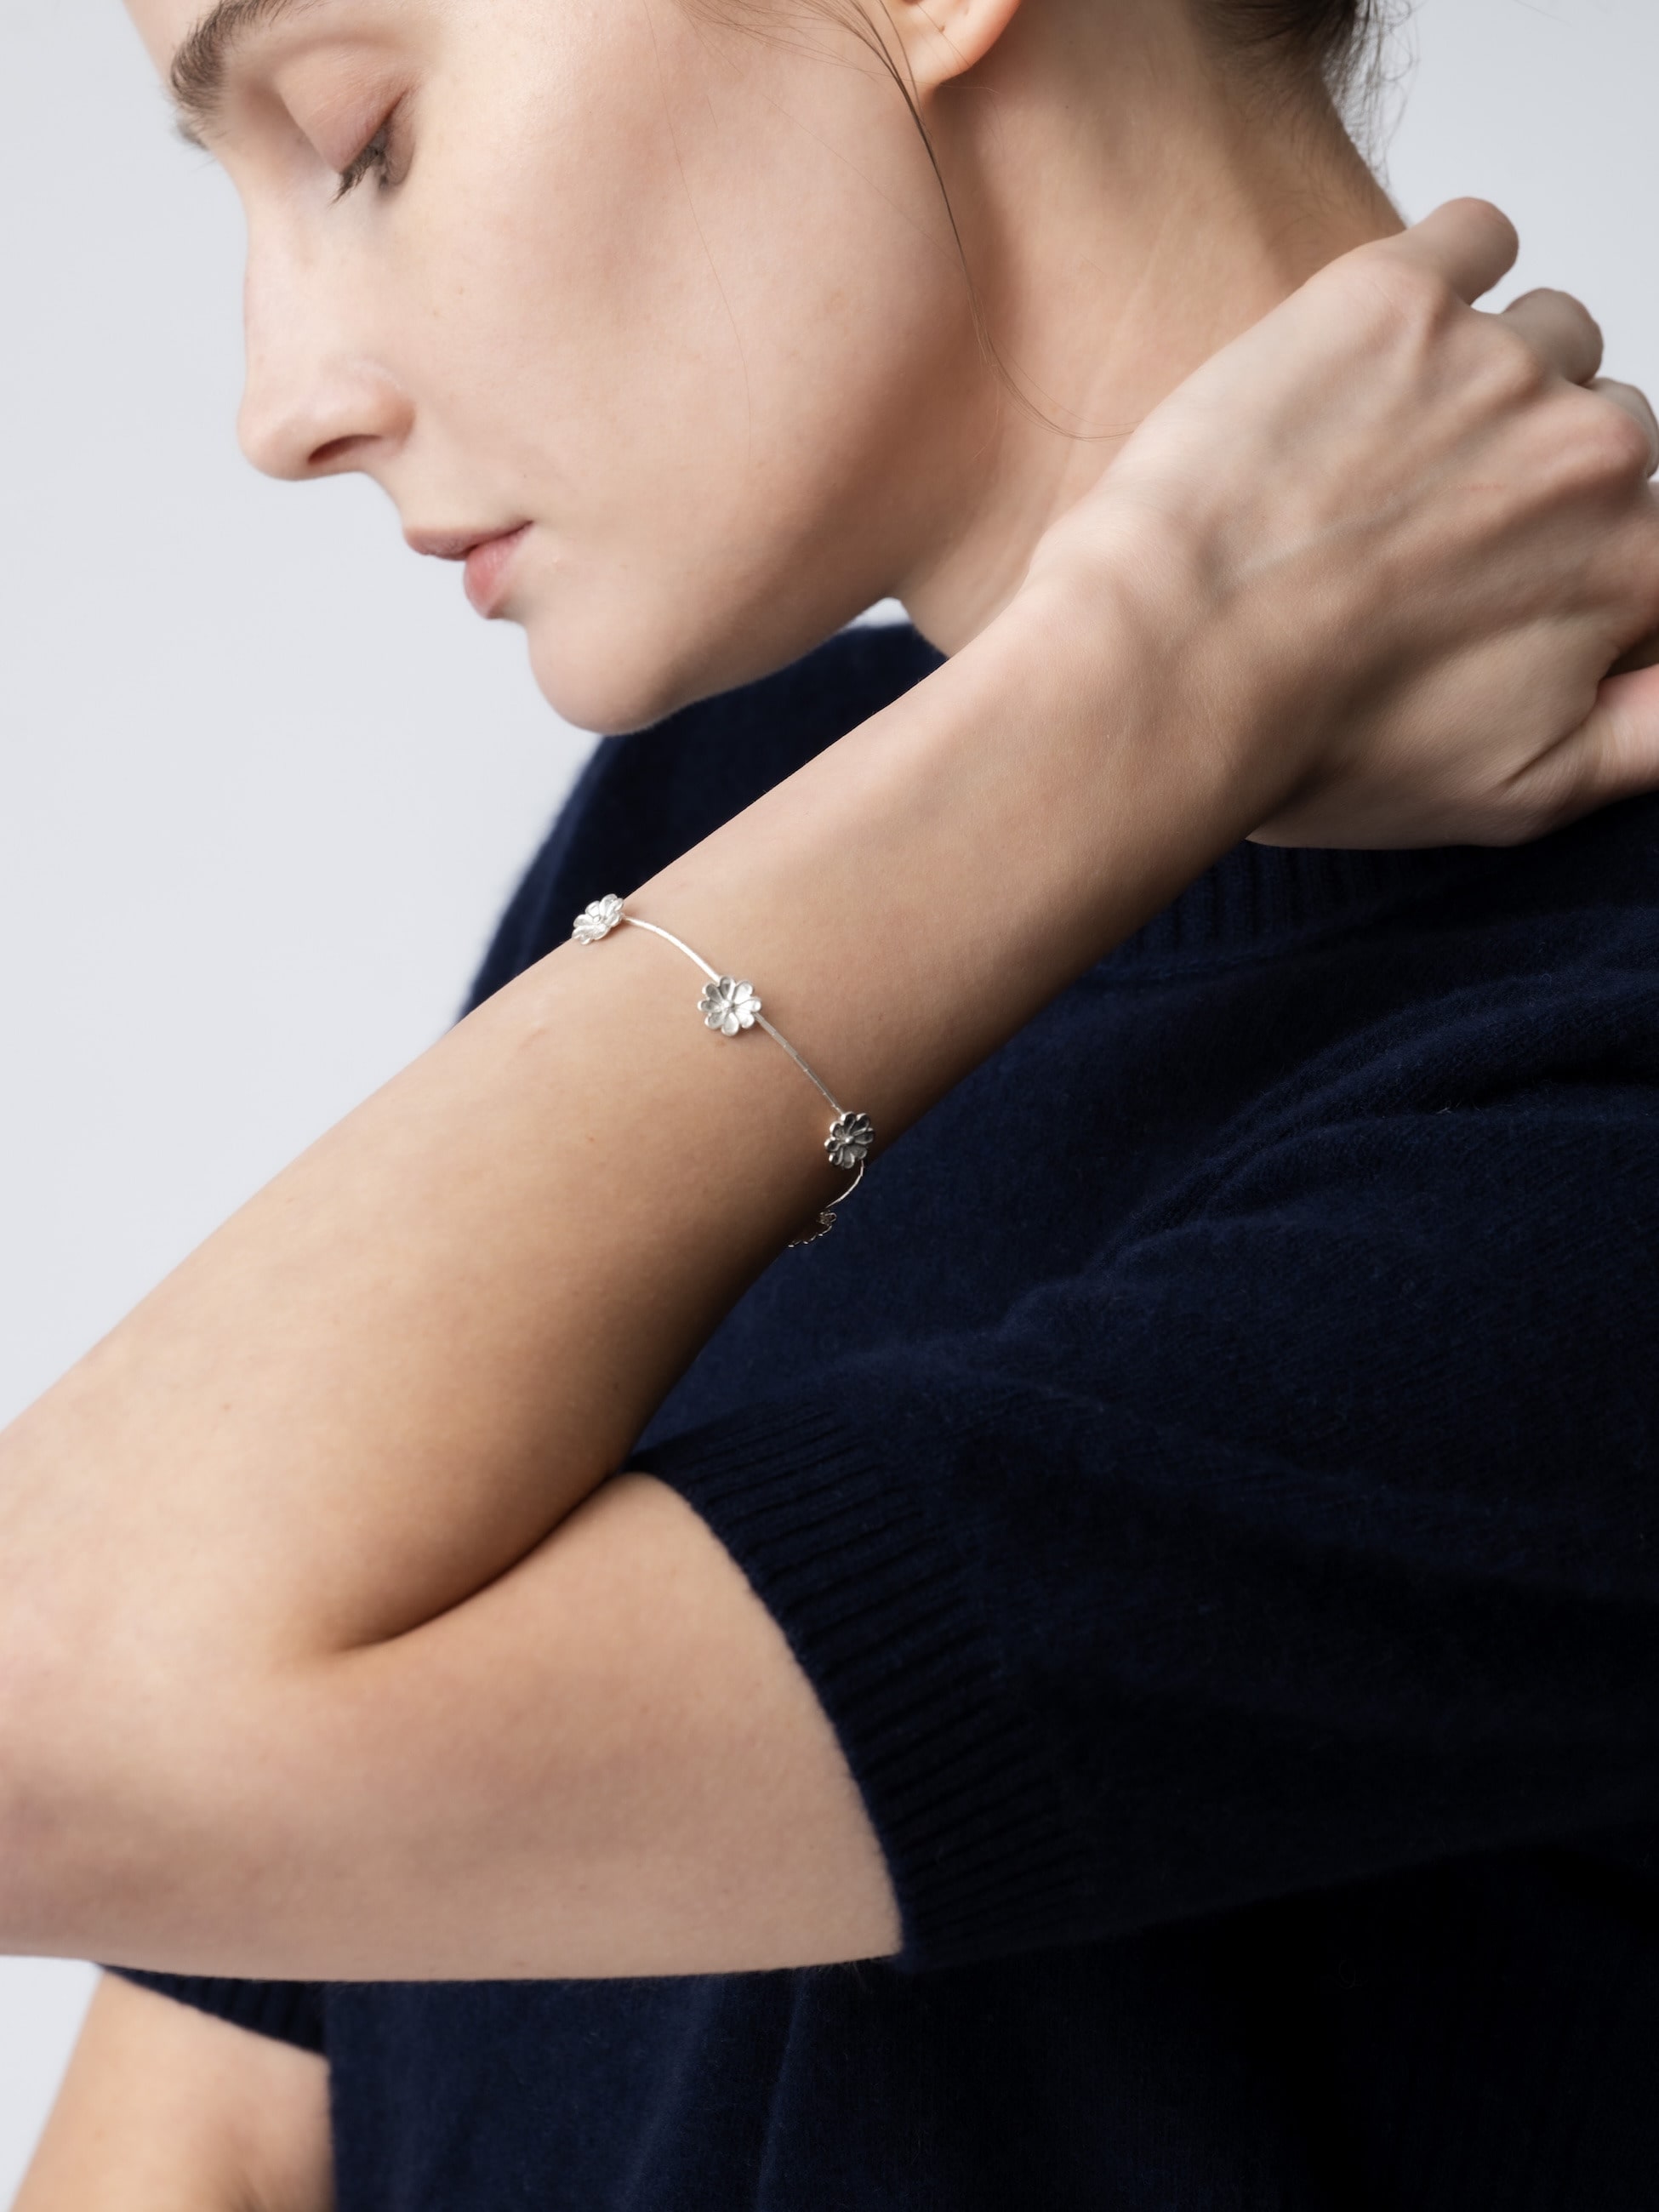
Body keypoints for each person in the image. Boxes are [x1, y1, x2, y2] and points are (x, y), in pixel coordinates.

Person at [7, 0, 1659, 2203]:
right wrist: (1134, 696)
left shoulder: (1604, 1073)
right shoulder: (745, 828)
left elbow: (39, 1737)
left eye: (362, 135)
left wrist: (1144, 676)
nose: (281, 404)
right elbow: (204, 2121)